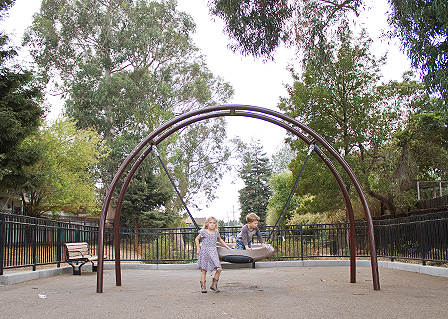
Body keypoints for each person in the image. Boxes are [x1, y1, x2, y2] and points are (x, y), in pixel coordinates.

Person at [195, 216, 231, 293]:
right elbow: (197, 239)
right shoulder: (204, 232)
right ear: (207, 224)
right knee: (203, 270)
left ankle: (214, 285)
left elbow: (220, 240)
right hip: (205, 252)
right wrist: (198, 248)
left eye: (214, 223)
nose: (212, 224)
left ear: (215, 225)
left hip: (213, 252)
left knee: (219, 268)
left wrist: (227, 247)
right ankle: (203, 286)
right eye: (210, 223)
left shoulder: (216, 233)